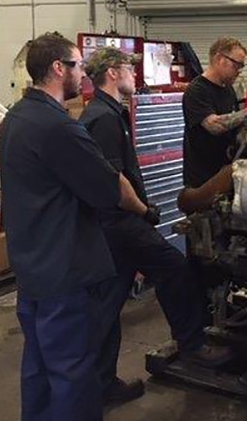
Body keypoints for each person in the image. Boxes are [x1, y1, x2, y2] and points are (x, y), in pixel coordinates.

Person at [0, 33, 149, 421]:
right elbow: (105, 187)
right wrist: (142, 209)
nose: (83, 75)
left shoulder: (16, 117)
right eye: (78, 65)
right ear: (57, 68)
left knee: (39, 366)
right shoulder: (58, 126)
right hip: (64, 269)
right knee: (72, 374)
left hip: (32, 266)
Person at [79, 47, 232, 406]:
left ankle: (100, 386)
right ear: (113, 74)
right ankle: (193, 344)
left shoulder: (107, 112)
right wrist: (144, 210)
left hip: (111, 224)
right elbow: (113, 179)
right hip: (121, 221)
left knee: (107, 306)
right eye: (128, 70)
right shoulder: (102, 117)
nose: (135, 75)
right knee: (174, 267)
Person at [182, 37, 247, 187]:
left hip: (226, 173)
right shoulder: (197, 90)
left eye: (241, 66)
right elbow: (215, 126)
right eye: (237, 65)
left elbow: (236, 126)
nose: (239, 71)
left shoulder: (227, 88)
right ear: (220, 59)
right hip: (203, 179)